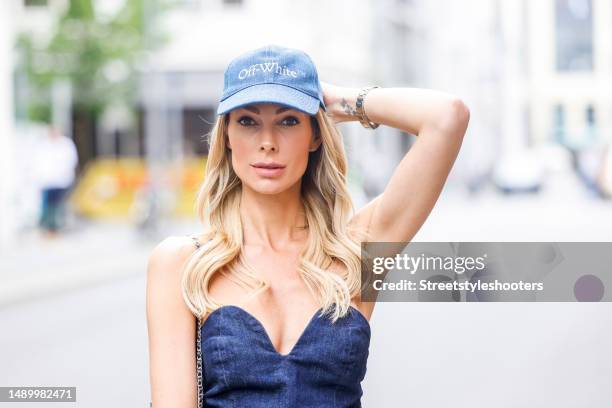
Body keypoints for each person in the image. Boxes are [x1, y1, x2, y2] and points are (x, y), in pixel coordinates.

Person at [146, 44, 470, 407]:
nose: (267, 143)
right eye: (248, 121)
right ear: (226, 136)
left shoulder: (357, 253)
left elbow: (447, 117)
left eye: (288, 121)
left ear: (316, 134)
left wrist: (336, 101)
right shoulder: (183, 265)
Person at [34, 125, 79, 237]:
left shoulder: (65, 144)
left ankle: (56, 228)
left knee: (57, 206)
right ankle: (46, 228)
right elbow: (38, 163)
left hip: (61, 181)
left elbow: (70, 161)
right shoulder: (44, 145)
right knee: (46, 206)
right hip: (47, 181)